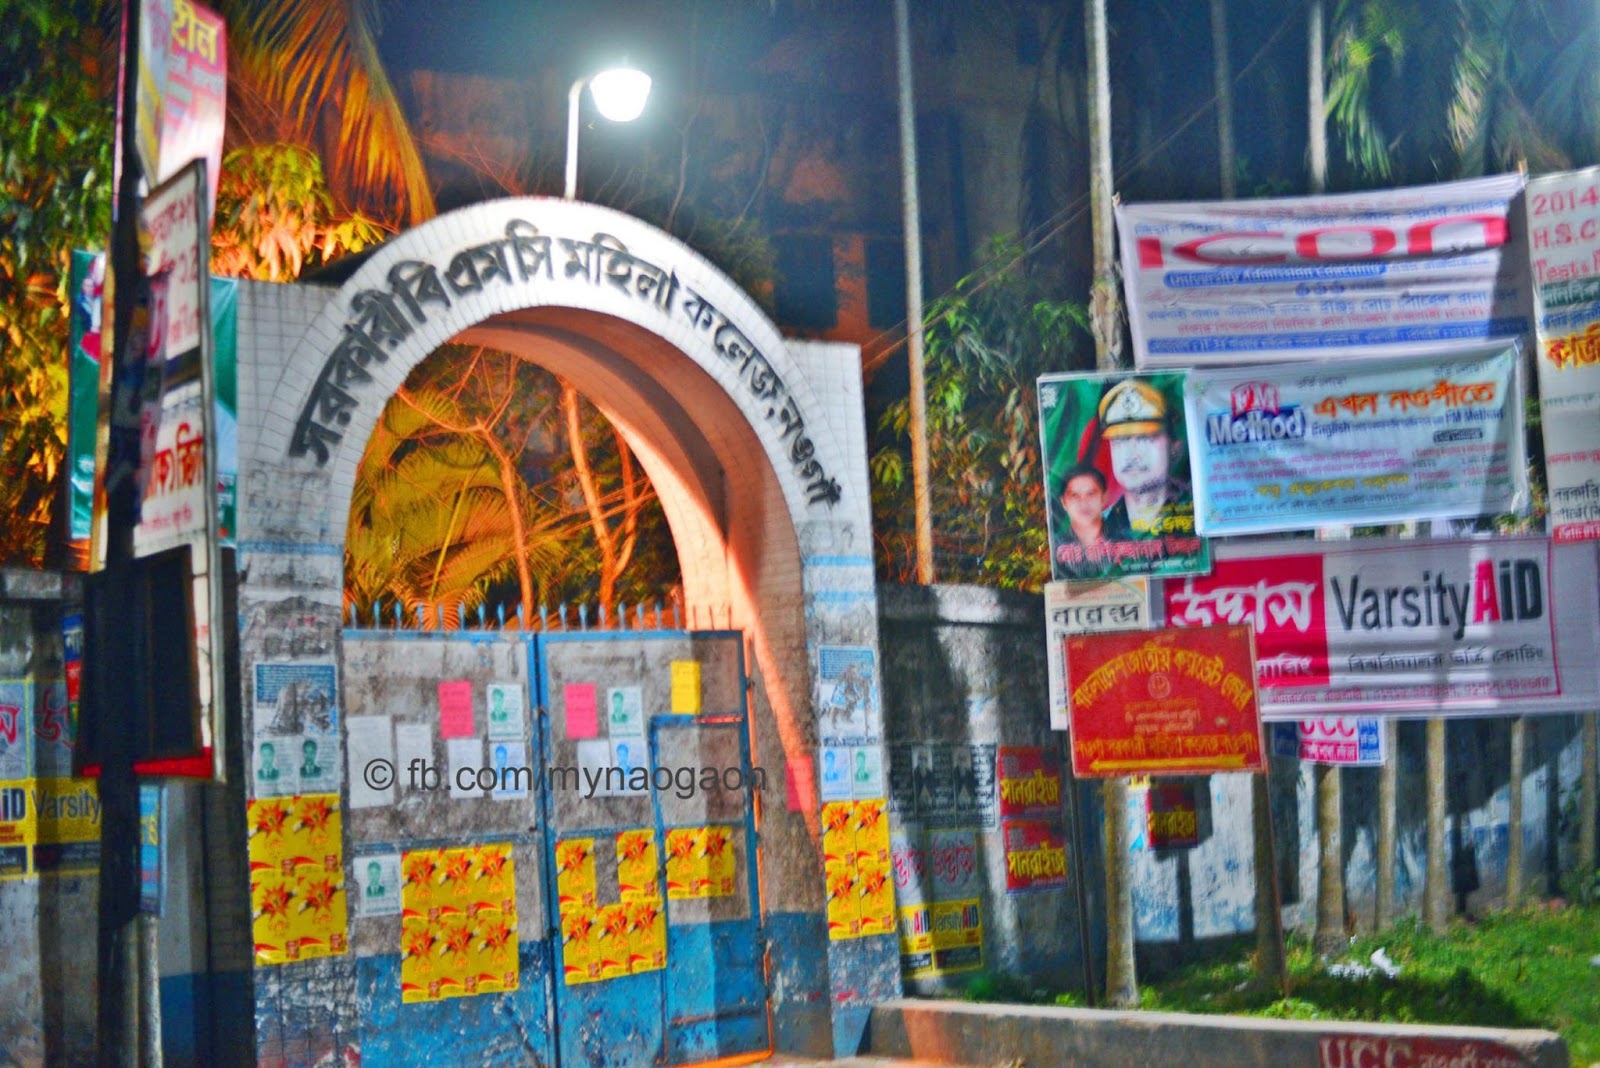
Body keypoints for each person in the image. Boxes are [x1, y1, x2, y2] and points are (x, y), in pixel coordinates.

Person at [1098, 379, 1194, 538]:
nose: (1131, 454)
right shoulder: (1101, 529)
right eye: (1120, 441)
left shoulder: (1197, 512)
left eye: (1145, 439)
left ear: (1175, 449)